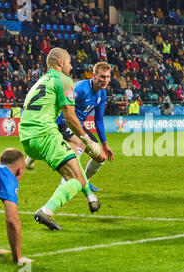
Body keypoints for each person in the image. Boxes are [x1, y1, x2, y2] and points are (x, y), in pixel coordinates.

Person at [19, 47, 101, 230]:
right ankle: (47, 210)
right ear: (61, 62)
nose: (71, 67)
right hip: (45, 134)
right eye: (70, 62)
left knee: (74, 165)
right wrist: (88, 141)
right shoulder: (64, 80)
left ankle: (90, 196)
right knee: (76, 179)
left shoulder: (40, 81)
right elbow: (70, 117)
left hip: (26, 137)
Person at [54, 62, 114, 192]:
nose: (106, 80)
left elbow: (98, 120)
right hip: (65, 122)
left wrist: (105, 144)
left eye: (108, 77)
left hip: (79, 126)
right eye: (103, 77)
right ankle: (63, 189)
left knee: (101, 158)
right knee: (77, 149)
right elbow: (61, 103)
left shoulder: (102, 93)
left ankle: (84, 182)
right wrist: (58, 126)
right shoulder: (80, 88)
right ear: (94, 76)